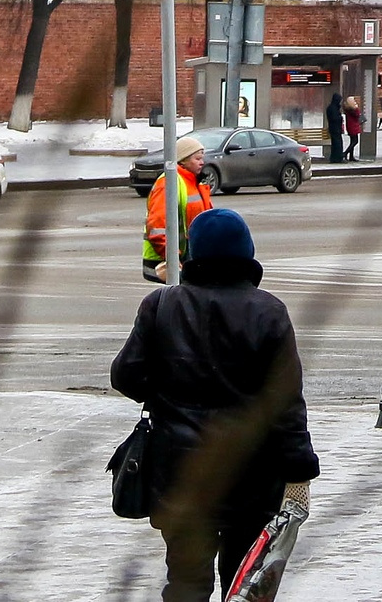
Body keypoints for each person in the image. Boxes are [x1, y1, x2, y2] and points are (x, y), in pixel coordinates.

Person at [112, 209, 319, 602]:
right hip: (252, 476)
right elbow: (287, 405)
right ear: (247, 255)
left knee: (186, 583)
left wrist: (166, 389)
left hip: (180, 473)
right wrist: (300, 473)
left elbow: (126, 377)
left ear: (194, 255)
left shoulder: (161, 305)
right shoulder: (270, 312)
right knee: (244, 584)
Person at [142, 137, 215, 284]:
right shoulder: (169, 182)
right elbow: (157, 226)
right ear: (183, 160)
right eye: (197, 158)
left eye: (202, 158)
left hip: (189, 256)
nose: (202, 162)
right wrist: (173, 258)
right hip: (172, 258)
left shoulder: (195, 182)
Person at [325, 92, 345, 164]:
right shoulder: (333, 108)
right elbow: (334, 118)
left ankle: (335, 158)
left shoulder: (332, 107)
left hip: (334, 128)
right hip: (335, 128)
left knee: (336, 144)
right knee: (337, 144)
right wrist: (340, 118)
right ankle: (337, 158)